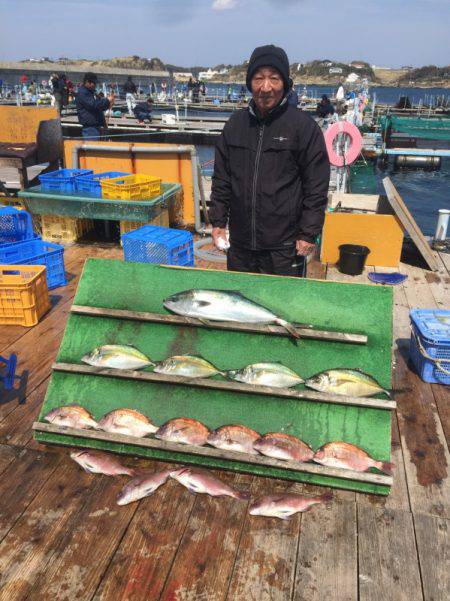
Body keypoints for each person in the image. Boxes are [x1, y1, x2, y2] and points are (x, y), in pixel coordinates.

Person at [209, 44, 330, 278]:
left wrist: (308, 233)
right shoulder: (235, 125)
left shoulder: (303, 127)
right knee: (241, 305)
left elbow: (316, 186)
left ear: (285, 83)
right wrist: (217, 222)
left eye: (274, 78)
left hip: (284, 247)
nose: (266, 87)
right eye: (258, 78)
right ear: (249, 83)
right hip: (241, 245)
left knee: (284, 308)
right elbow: (221, 180)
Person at [76, 72, 114, 140]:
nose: (95, 85)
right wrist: (107, 100)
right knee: (91, 149)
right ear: (87, 82)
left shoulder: (91, 92)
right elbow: (94, 105)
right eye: (94, 83)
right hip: (90, 128)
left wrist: (108, 103)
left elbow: (100, 107)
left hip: (96, 126)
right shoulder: (83, 92)